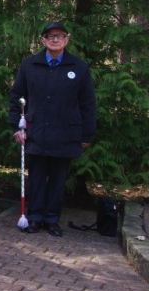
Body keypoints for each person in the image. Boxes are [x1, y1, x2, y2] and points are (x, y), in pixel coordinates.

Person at [8, 21, 97, 237]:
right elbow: (16, 98)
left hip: (66, 133)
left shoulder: (79, 68)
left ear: (67, 39)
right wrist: (16, 127)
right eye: (50, 36)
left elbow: (88, 104)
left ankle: (52, 219)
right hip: (37, 131)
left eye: (59, 36)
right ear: (43, 40)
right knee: (37, 177)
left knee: (58, 179)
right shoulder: (29, 65)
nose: (55, 39)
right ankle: (35, 217)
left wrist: (86, 134)